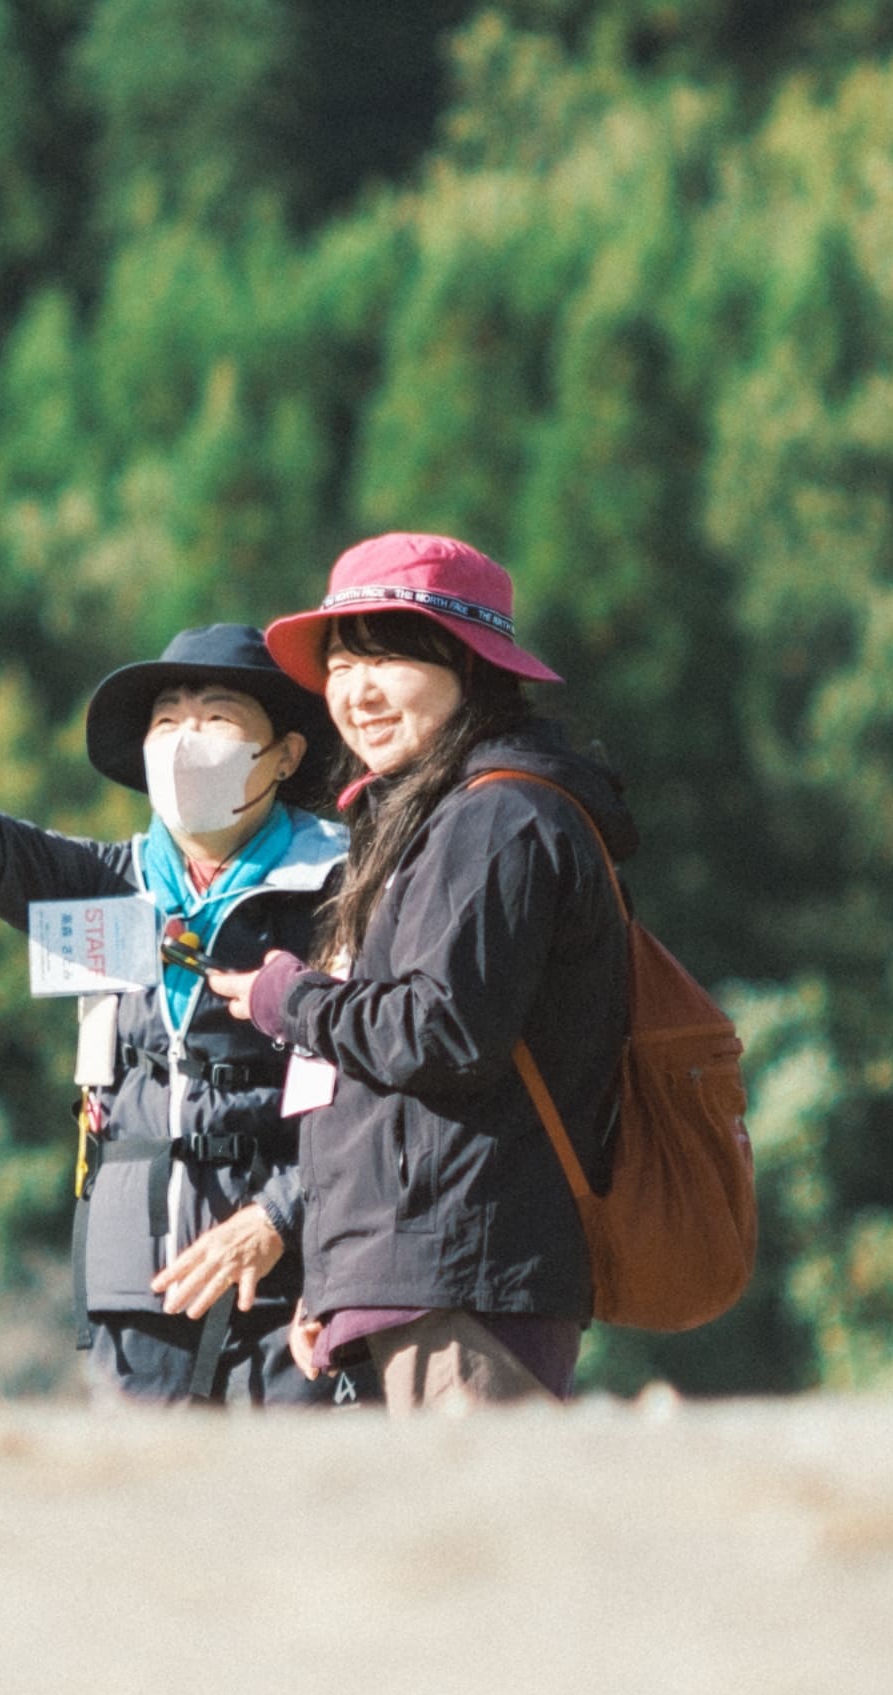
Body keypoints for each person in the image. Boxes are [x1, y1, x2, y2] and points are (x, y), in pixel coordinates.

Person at [0, 621, 351, 1406]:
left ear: (286, 754)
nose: (186, 741)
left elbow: (377, 1084)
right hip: (133, 1273)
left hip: (289, 1278)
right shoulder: (110, 884)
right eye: (166, 721)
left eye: (217, 718)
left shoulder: (343, 887)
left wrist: (281, 1215)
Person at [196, 533, 633, 1411]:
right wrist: (343, 1270)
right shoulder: (432, 821)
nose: (356, 692)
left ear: (472, 664)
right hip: (421, 1267)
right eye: (342, 663)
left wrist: (292, 998)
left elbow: (441, 1031)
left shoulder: (496, 818)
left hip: (468, 1271)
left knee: (486, 1539)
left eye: (388, 656)